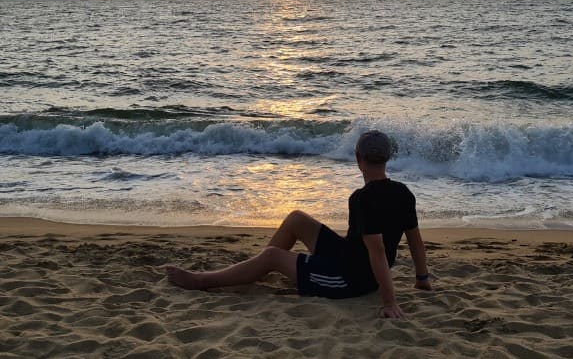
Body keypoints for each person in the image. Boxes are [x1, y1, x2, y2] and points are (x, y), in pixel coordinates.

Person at [164, 130, 431, 318]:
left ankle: (201, 281)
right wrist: (422, 280)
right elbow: (415, 241)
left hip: (349, 280)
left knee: (272, 256)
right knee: (296, 219)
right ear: (387, 158)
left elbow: (378, 252)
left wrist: (389, 302)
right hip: (351, 260)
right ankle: (257, 269)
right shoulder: (404, 192)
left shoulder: (362, 199)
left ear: (357, 158)